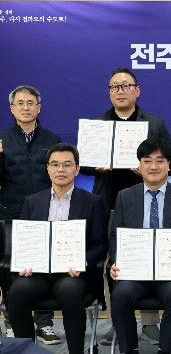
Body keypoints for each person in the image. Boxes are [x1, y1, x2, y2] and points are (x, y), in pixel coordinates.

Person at [80, 68, 171, 346]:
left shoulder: (154, 124)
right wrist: (95, 166)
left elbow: (170, 161)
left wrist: (148, 168)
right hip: (108, 203)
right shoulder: (97, 125)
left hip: (147, 202)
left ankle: (150, 323)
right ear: (109, 92)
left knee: (149, 257)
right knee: (113, 263)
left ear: (137, 90)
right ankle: (117, 322)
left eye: (126, 86)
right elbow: (81, 164)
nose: (120, 91)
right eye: (114, 87)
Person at [7, 143, 108, 354]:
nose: (60, 169)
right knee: (17, 291)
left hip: (73, 274)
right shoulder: (32, 202)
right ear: (47, 169)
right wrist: (24, 262)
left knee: (69, 290)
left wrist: (82, 262)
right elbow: (25, 240)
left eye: (67, 164)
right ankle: (26, 350)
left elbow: (100, 245)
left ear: (77, 169)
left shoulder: (93, 202)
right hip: (39, 273)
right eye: (55, 164)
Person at [108, 138, 171, 354]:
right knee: (120, 295)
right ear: (139, 165)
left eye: (160, 161)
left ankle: (165, 350)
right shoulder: (125, 196)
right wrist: (115, 262)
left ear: (169, 166)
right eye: (147, 160)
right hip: (134, 273)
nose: (153, 166)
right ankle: (129, 349)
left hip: (170, 275)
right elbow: (116, 237)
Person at [0, 85, 62, 343]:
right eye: (20, 103)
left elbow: (60, 175)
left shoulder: (52, 139)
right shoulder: (2, 139)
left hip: (45, 213)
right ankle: (12, 320)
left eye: (30, 103)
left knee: (44, 267)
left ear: (39, 107)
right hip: (11, 213)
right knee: (10, 269)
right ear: (12, 108)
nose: (25, 107)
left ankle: (44, 323)